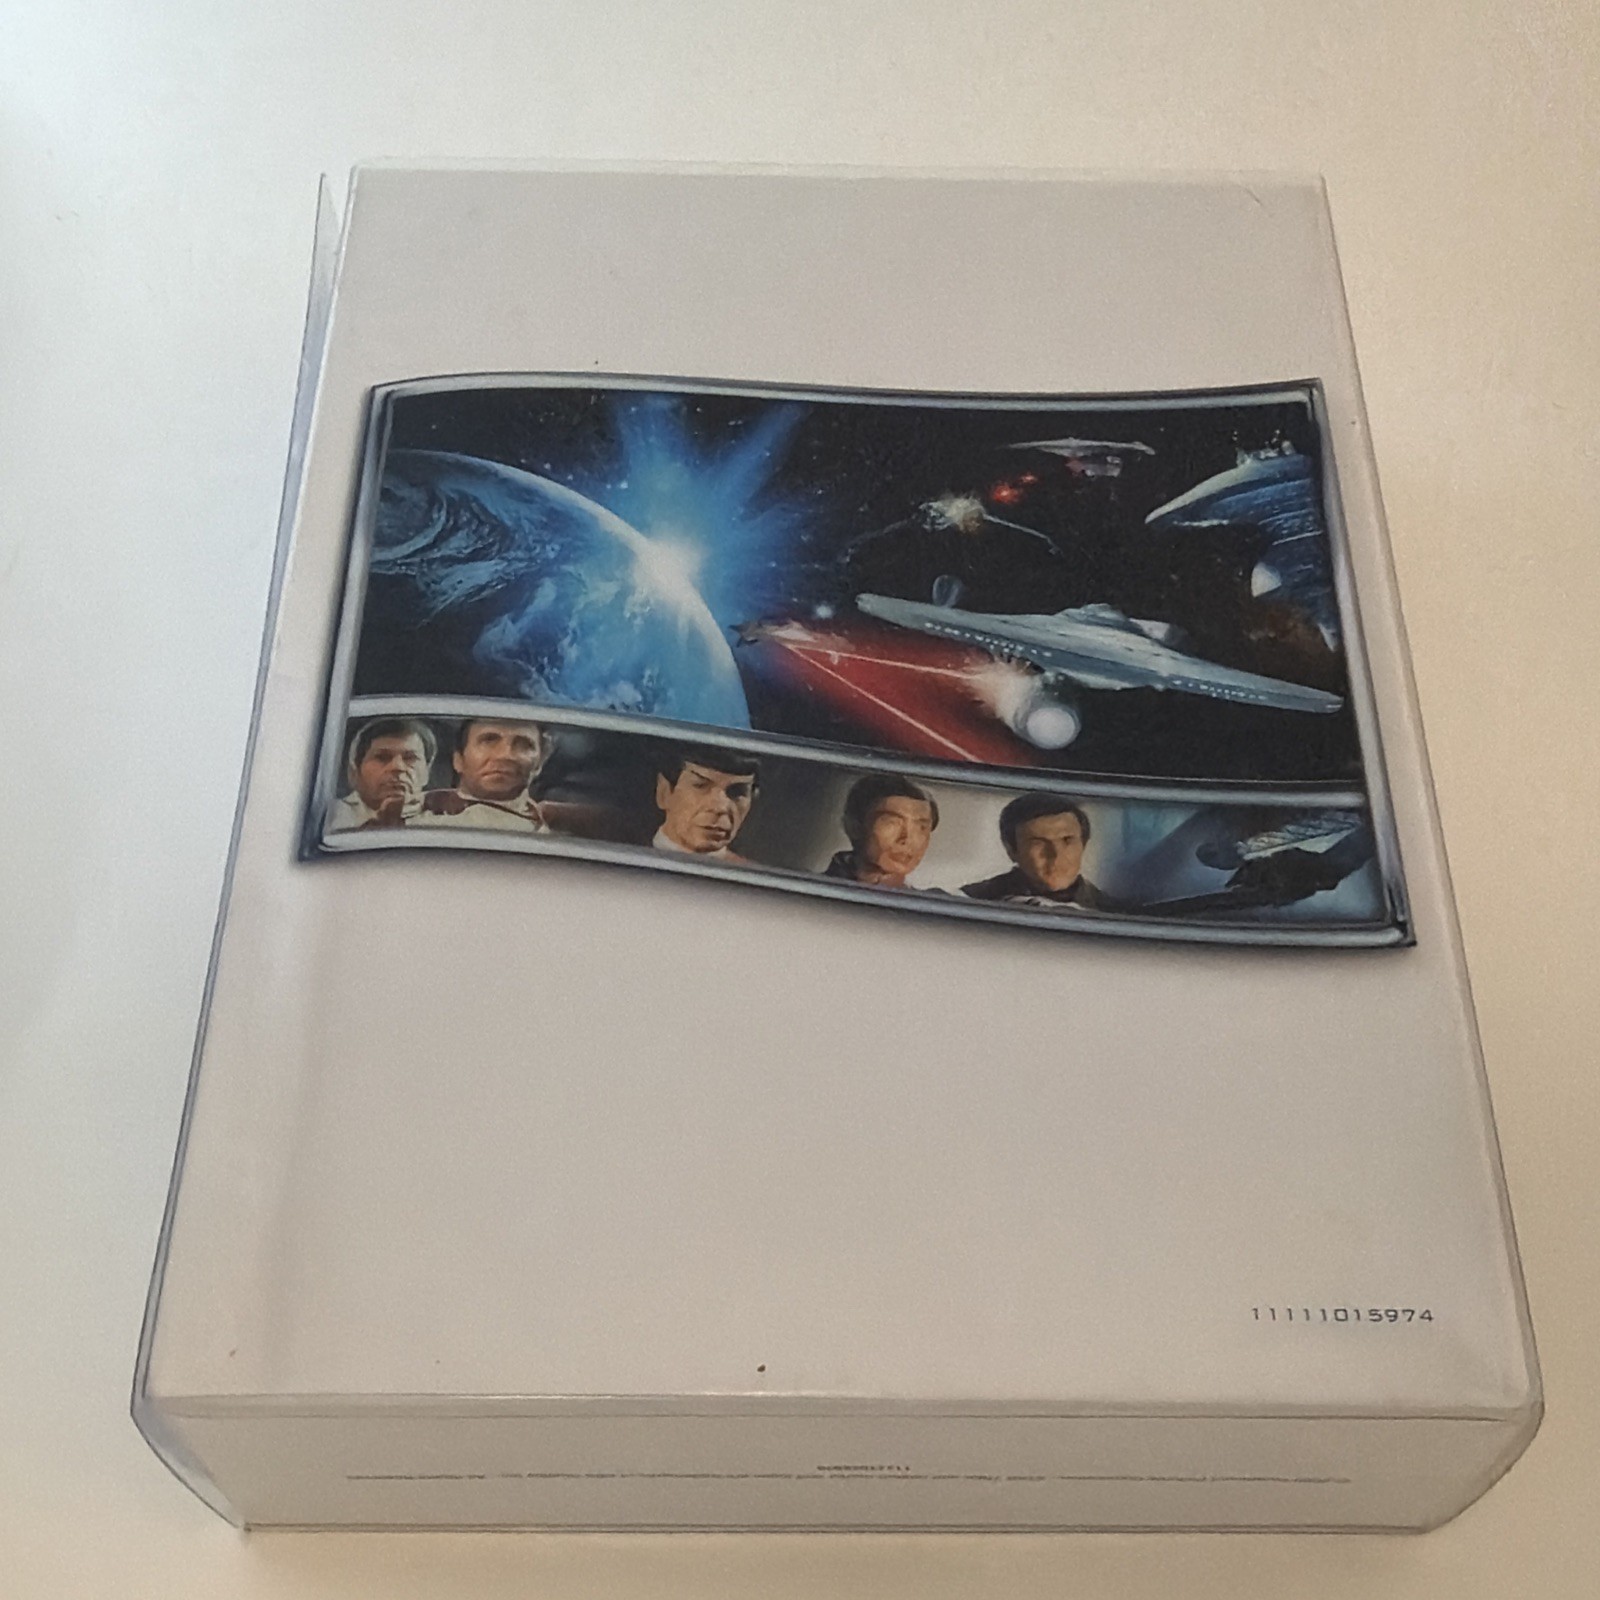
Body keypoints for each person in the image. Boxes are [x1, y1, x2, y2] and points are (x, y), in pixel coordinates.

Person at [962, 792, 1119, 910]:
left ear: (1083, 845)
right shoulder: (969, 901)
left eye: (1067, 840)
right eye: (1038, 843)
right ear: (1011, 850)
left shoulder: (1113, 912)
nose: (1056, 855)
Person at [414, 717, 548, 832]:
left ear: (539, 764)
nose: (505, 755)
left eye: (523, 745)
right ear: (458, 760)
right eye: (488, 741)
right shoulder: (415, 816)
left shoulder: (553, 831)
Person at [824, 774, 939, 889]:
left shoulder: (932, 899)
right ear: (854, 826)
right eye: (892, 822)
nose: (907, 839)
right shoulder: (821, 888)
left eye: (921, 828)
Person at [652, 745, 759, 862]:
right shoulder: (635, 855)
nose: (720, 807)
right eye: (700, 786)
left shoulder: (751, 872)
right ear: (665, 792)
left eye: (738, 792)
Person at [327, 717, 436, 831]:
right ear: (355, 772)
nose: (398, 767)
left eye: (410, 758)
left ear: (427, 772)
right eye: (382, 757)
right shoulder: (330, 818)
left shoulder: (442, 821)